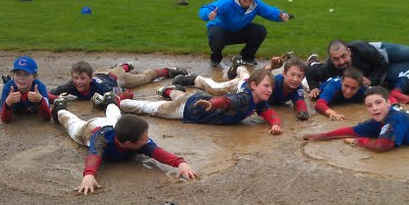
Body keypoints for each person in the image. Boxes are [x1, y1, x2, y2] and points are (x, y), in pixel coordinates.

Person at [51, 99, 197, 195]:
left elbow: (158, 152)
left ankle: (109, 100)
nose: (148, 140)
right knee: (70, 123)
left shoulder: (137, 141)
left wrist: (180, 163)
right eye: (144, 138)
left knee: (116, 116)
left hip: (113, 126)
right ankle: (59, 107)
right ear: (129, 144)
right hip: (90, 130)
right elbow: (94, 155)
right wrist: (89, 175)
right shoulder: (102, 141)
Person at [94, 68, 283, 134]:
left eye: (271, 87)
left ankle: (168, 90)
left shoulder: (258, 102)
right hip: (188, 109)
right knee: (150, 108)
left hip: (194, 100)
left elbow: (269, 113)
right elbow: (228, 101)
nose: (270, 90)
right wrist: (214, 103)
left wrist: (275, 124)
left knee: (181, 96)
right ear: (252, 85)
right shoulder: (244, 97)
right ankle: (117, 101)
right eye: (266, 86)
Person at [172, 55, 311, 121]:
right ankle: (195, 79)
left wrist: (303, 111)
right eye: (292, 75)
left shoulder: (296, 88)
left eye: (300, 76)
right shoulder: (276, 81)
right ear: (284, 74)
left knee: (244, 74)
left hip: (248, 81)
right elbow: (260, 76)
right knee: (215, 89)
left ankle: (238, 65)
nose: (295, 79)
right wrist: (271, 67)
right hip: (243, 86)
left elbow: (299, 102)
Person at [198, 0, 291, 67]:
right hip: (222, 30)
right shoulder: (227, 2)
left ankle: (247, 57)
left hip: (239, 30)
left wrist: (280, 16)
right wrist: (208, 15)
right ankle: (215, 59)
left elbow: (269, 11)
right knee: (215, 34)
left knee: (260, 31)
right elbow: (204, 9)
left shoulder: (256, 5)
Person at [305, 39, 409, 94]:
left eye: (343, 56)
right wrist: (314, 87)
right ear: (331, 58)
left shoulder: (361, 48)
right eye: (336, 59)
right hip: (381, 71)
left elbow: (381, 62)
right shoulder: (330, 67)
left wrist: (370, 79)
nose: (341, 62)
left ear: (349, 52)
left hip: (382, 53)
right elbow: (311, 71)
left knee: (408, 52)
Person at [46, 60, 187, 103]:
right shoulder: (71, 85)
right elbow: (48, 95)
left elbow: (128, 93)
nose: (78, 82)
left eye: (82, 78)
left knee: (144, 78)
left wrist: (113, 98)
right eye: (75, 78)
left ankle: (168, 70)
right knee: (119, 68)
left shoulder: (103, 88)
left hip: (117, 78)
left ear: (89, 79)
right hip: (101, 72)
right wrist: (57, 99)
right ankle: (126, 65)